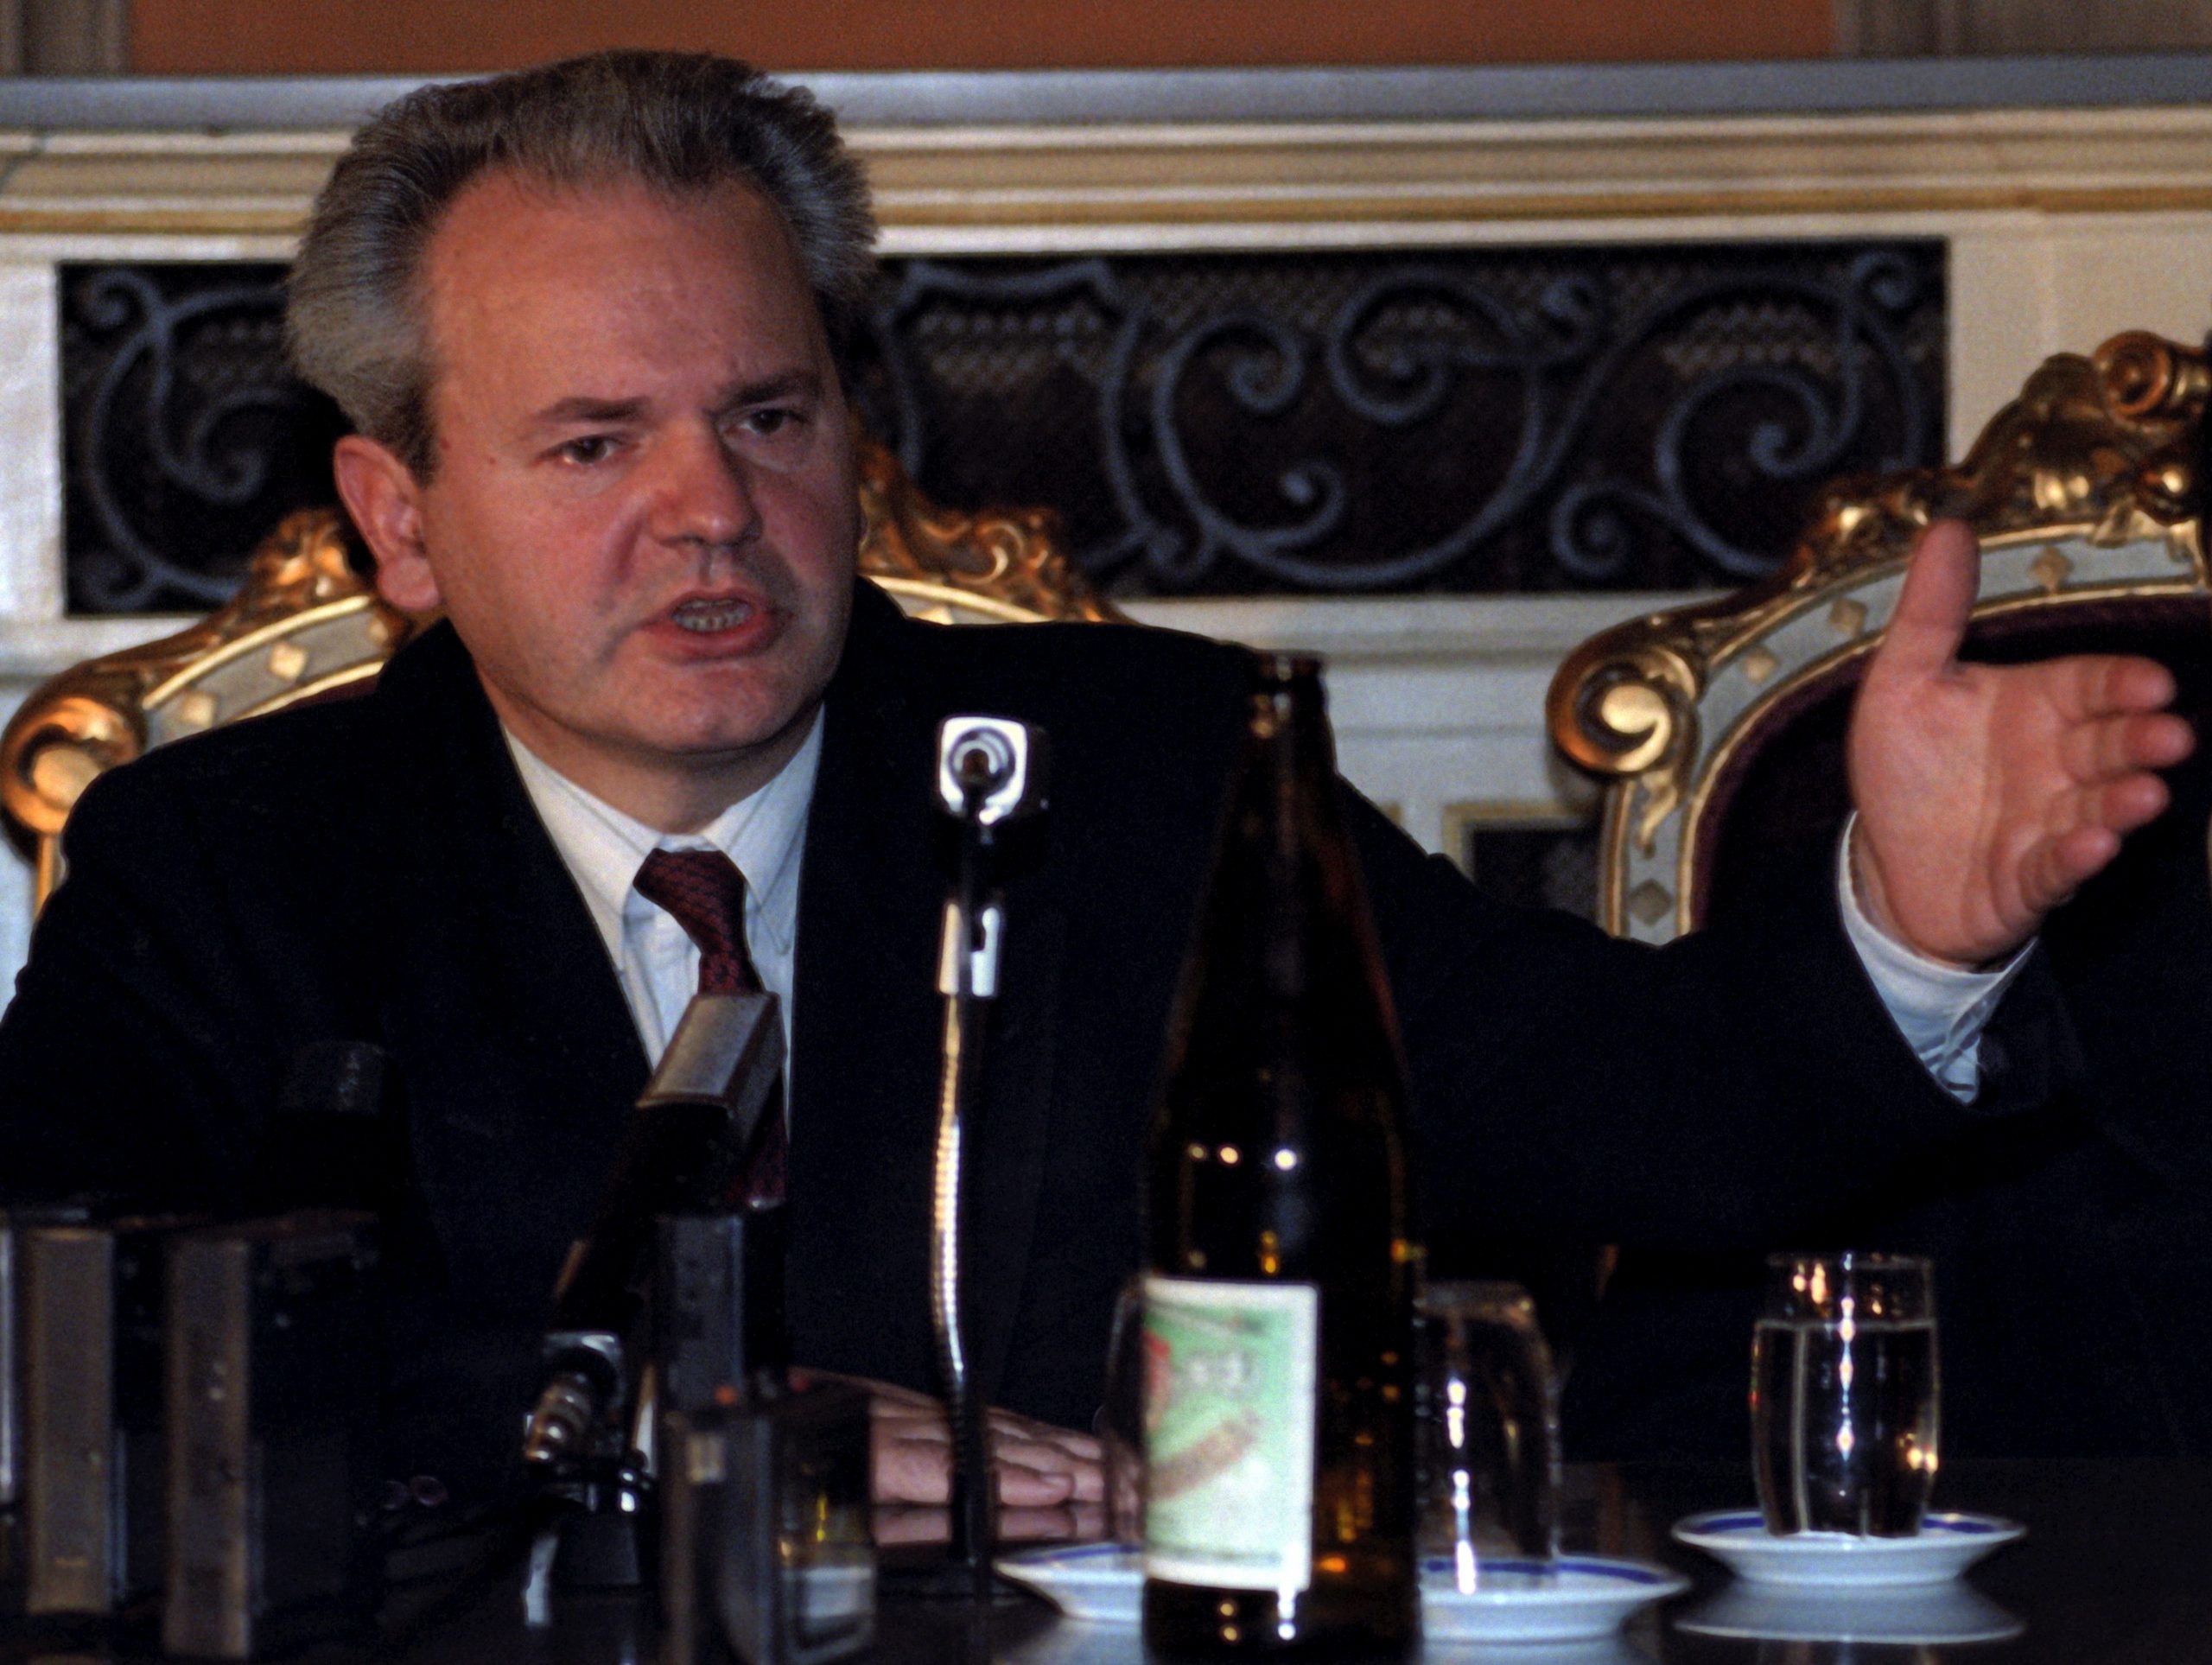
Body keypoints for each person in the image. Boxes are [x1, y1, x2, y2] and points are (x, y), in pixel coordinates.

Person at [0, 53, 2190, 1521]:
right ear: (396, 515)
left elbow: (1643, 1107)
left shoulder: (1146, 772)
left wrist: (1902, 921)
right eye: (595, 442)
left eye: (768, 416)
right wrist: (692, 1441)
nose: (709, 511)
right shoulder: (231, 864)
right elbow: (86, 1371)